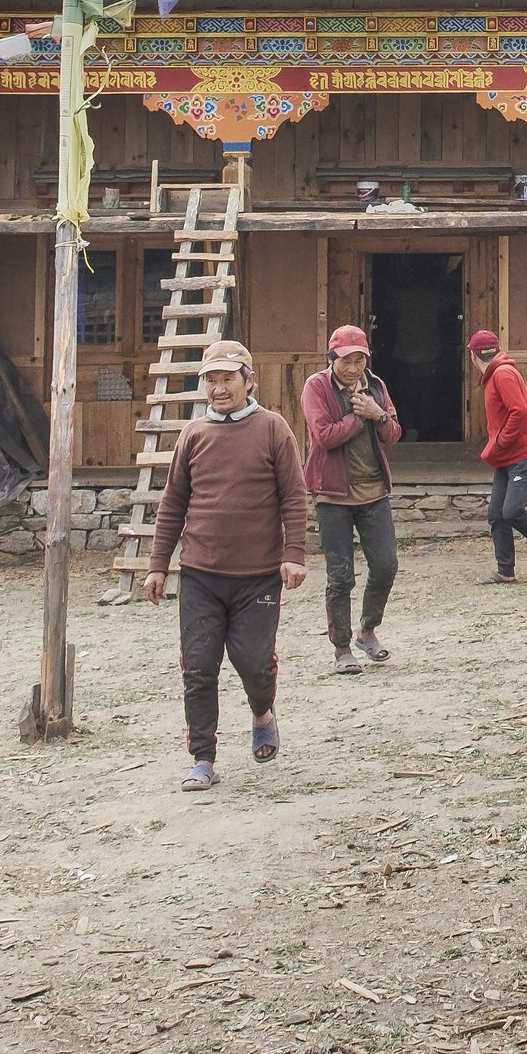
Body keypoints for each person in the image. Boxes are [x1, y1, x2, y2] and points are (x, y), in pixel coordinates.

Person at [144, 339, 309, 792]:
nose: (219, 389)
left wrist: (293, 554)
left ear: (248, 380)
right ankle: (203, 758)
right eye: (211, 381)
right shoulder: (193, 435)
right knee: (198, 666)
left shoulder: (273, 429)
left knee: (253, 661)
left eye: (228, 379)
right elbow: (172, 503)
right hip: (200, 574)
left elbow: (294, 497)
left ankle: (262, 712)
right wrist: (159, 565)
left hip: (257, 575)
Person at [299, 324, 401, 674]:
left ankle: (367, 630)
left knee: (386, 566)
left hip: (374, 491)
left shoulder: (376, 386)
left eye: (360, 360)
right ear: (332, 359)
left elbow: (393, 434)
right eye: (346, 361)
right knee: (341, 576)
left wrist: (379, 413)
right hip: (333, 494)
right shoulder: (316, 387)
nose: (354, 368)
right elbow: (325, 436)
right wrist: (360, 417)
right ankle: (342, 649)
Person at [468, 329, 527, 583]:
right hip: (507, 458)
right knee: (496, 514)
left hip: (525, 455)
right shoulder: (496, 374)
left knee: (512, 510)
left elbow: (520, 413)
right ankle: (506, 572)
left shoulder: (503, 374)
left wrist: (502, 441)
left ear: (473, 356)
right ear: (497, 348)